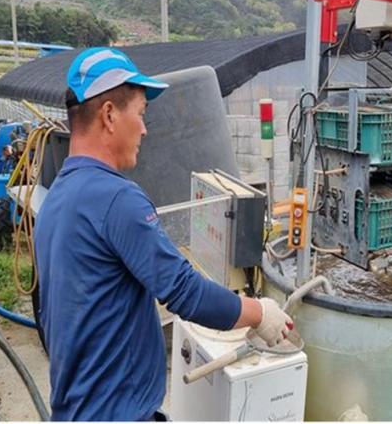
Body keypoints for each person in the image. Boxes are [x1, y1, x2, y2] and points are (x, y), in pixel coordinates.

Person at [33, 47, 293, 421]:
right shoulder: (116, 198)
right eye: (140, 114)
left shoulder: (55, 198)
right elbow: (185, 292)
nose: (144, 129)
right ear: (109, 115)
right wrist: (260, 312)